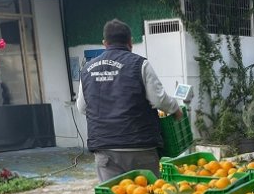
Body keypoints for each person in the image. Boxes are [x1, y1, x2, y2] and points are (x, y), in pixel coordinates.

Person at [77, 19, 183, 181]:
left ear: (105, 43)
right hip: (139, 146)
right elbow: (159, 100)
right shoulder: (140, 64)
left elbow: (82, 107)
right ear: (130, 42)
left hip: (105, 149)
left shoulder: (87, 69)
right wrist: (175, 109)